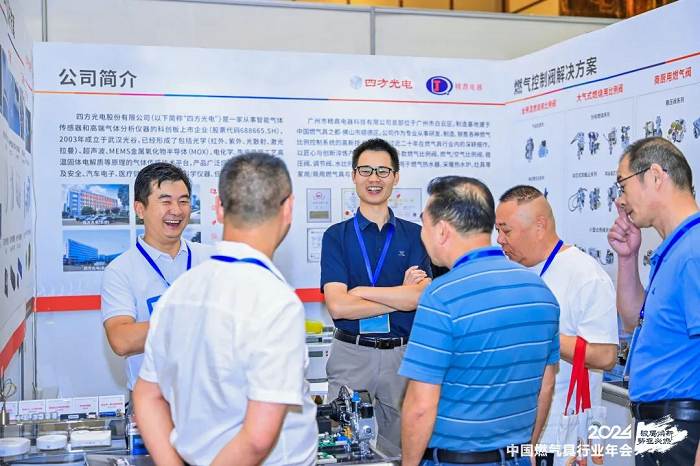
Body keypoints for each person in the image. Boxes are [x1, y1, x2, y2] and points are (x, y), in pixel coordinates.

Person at [133, 153, 317, 466]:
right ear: (288, 209)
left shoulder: (178, 292)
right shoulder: (276, 300)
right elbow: (257, 439)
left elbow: (147, 396)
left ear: (219, 208)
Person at [400, 176, 560, 466]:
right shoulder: (540, 291)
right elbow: (546, 385)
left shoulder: (440, 296)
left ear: (442, 231)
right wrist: (526, 451)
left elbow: (421, 407)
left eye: (424, 225)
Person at [320, 138, 432, 446]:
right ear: (353, 176)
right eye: (366, 170)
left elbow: (419, 297)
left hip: (402, 355)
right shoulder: (336, 236)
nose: (374, 178)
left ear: (396, 177)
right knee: (344, 447)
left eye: (383, 171)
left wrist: (362, 293)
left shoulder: (416, 236)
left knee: (405, 448)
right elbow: (339, 306)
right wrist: (401, 294)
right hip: (352, 355)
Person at [495, 185, 618, 464]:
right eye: (497, 230)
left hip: (558, 436)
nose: (500, 239)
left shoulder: (585, 275)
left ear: (540, 226)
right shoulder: (510, 270)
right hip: (509, 428)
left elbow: (605, 355)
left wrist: (540, 334)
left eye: (507, 230)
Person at [607, 137, 700, 465]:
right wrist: (627, 258)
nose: (620, 199)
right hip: (659, 423)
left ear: (656, 176)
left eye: (623, 185)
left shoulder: (693, 251)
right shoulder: (676, 247)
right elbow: (633, 321)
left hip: (682, 425)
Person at [101, 162, 211, 393]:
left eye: (183, 201)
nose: (177, 211)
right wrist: (187, 321)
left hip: (208, 395)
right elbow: (121, 340)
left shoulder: (211, 259)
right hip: (151, 399)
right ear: (140, 209)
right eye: (166, 201)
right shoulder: (121, 269)